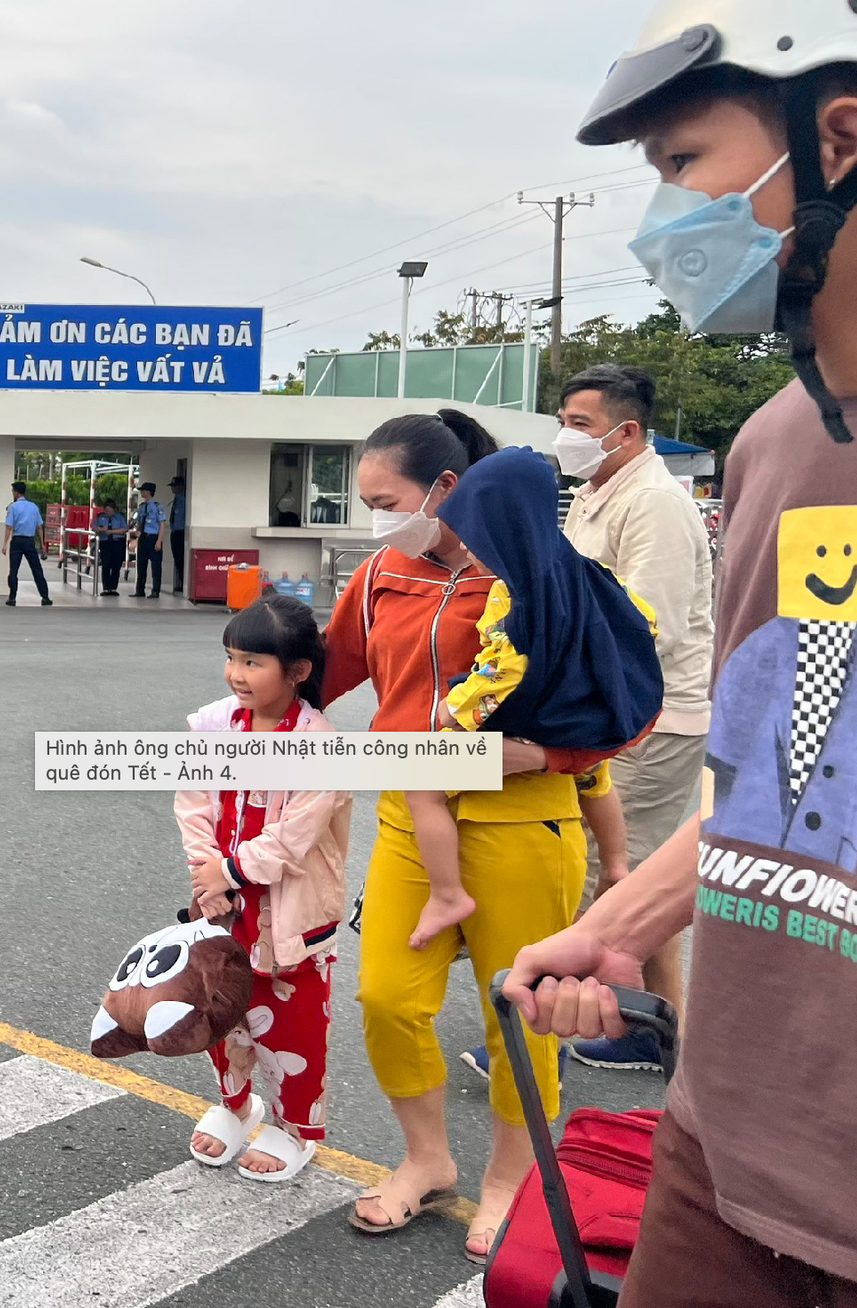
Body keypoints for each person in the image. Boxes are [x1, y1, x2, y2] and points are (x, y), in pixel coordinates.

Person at [506, 5, 857, 1303]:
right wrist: (616, 925)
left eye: (680, 165)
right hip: (723, 1138)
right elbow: (792, 770)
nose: (660, 224)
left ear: (838, 137)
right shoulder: (779, 442)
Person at [323, 409, 627, 1263]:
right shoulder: (383, 572)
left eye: (386, 500)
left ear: (445, 490)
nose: (376, 519)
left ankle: (508, 1181)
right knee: (385, 997)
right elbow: (324, 670)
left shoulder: (540, 576)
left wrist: (546, 751)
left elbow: (618, 709)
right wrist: (251, 688)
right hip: (406, 818)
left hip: (521, 821)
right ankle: (427, 1160)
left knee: (518, 1019)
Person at [402, 445, 663, 952]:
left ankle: (447, 894)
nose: (470, 548)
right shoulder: (588, 572)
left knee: (422, 784)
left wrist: (453, 710)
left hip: (529, 723)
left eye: (475, 536)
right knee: (595, 780)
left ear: (502, 530)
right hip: (583, 716)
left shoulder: (513, 592)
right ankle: (615, 862)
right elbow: (641, 618)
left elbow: (505, 668)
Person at [558, 363, 714, 1072]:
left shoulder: (652, 501)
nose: (567, 437)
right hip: (609, 712)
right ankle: (663, 1028)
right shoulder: (593, 494)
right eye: (563, 422)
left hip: (651, 717)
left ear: (625, 432)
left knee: (602, 871)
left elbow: (648, 628)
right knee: (640, 870)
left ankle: (564, 1026)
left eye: (580, 425)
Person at [176, 595, 351, 1182]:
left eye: (253, 662)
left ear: (297, 671)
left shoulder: (320, 743)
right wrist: (207, 873)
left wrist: (225, 873)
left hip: (288, 910)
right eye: (231, 659)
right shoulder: (213, 725)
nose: (236, 674)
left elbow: (291, 839)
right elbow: (195, 805)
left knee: (293, 1020)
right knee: (221, 1007)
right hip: (223, 901)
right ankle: (234, 1103)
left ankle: (293, 1126)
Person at [1, 480, 52, 607]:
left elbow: (8, 527)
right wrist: (42, 545)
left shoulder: (13, 507)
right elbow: (39, 527)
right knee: (36, 569)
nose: (12, 493)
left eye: (13, 491)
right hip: (29, 541)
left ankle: (12, 597)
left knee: (14, 570)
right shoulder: (33, 507)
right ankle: (45, 597)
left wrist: (5, 544)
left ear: (17, 493)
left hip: (17, 541)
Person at [133, 481, 166, 597]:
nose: (141, 492)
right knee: (141, 564)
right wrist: (138, 532)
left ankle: (155, 591)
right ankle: (139, 590)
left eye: (143, 490)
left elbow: (162, 524)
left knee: (156, 566)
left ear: (148, 492)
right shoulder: (142, 507)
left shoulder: (158, 506)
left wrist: (159, 540)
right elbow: (140, 522)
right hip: (143, 537)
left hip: (153, 537)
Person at [92, 496, 128, 595]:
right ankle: (106, 588)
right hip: (105, 543)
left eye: (109, 510)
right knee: (106, 565)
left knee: (116, 566)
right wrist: (99, 529)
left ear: (114, 509)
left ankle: (113, 588)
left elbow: (125, 529)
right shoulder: (101, 517)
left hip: (117, 543)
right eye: (106, 510)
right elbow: (93, 527)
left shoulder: (119, 517)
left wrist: (111, 531)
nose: (107, 512)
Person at [167, 473, 188, 593]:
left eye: (174, 486)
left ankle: (182, 584)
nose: (172, 488)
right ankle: (180, 582)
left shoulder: (184, 501)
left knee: (180, 559)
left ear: (180, 486)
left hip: (181, 532)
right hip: (174, 531)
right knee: (176, 558)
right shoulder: (175, 500)